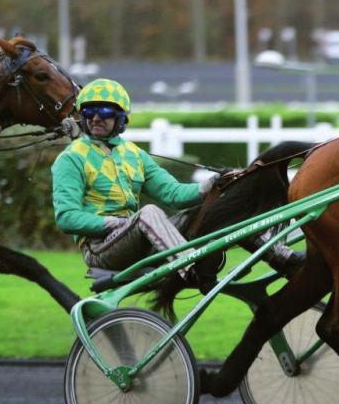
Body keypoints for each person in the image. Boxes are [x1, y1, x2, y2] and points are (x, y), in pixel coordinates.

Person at [51, 78, 300, 286]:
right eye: (89, 112)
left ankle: (281, 257)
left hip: (138, 240)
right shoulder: (71, 159)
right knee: (148, 212)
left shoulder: (134, 154)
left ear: (120, 119)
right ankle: (190, 269)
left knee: (222, 207)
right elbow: (67, 218)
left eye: (104, 112)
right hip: (101, 251)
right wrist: (116, 223)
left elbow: (174, 194)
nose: (96, 118)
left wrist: (213, 183)